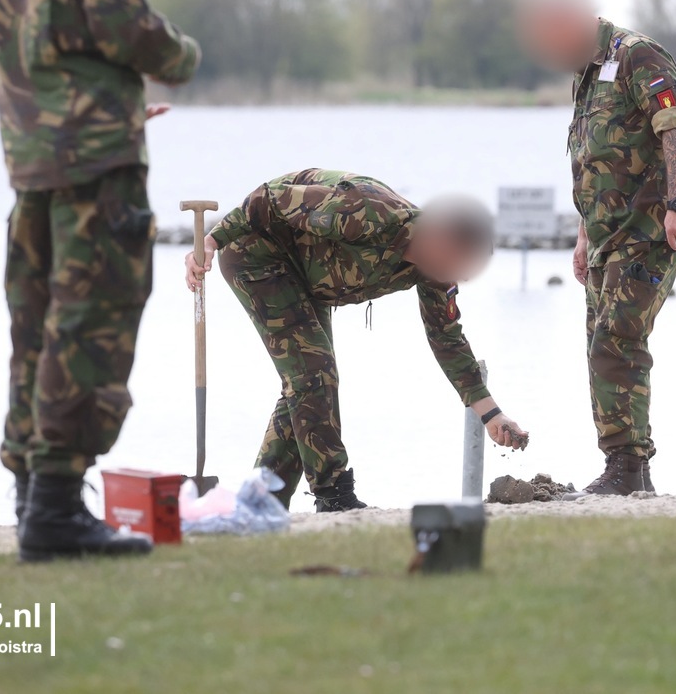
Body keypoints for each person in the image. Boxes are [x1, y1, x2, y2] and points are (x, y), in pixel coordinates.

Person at [0, 0, 202, 561]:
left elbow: (28, 28)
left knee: (36, 325)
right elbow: (123, 23)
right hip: (95, 155)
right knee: (89, 323)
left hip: (32, 147)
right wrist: (184, 57)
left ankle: (33, 500)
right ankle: (53, 509)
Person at [183, 169, 529, 512]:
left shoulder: (437, 272)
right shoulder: (366, 212)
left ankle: (261, 501)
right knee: (313, 373)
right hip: (257, 253)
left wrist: (492, 415)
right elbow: (270, 198)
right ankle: (333, 494)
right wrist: (212, 241)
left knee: (309, 382)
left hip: (308, 276)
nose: (462, 276)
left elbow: (447, 339)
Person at [517, 0, 676, 498]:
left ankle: (625, 464)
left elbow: (675, 126)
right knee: (602, 345)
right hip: (603, 238)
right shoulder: (586, 72)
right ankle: (632, 472)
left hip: (647, 229)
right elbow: (590, 160)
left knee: (617, 340)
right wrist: (582, 236)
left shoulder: (637, 55)